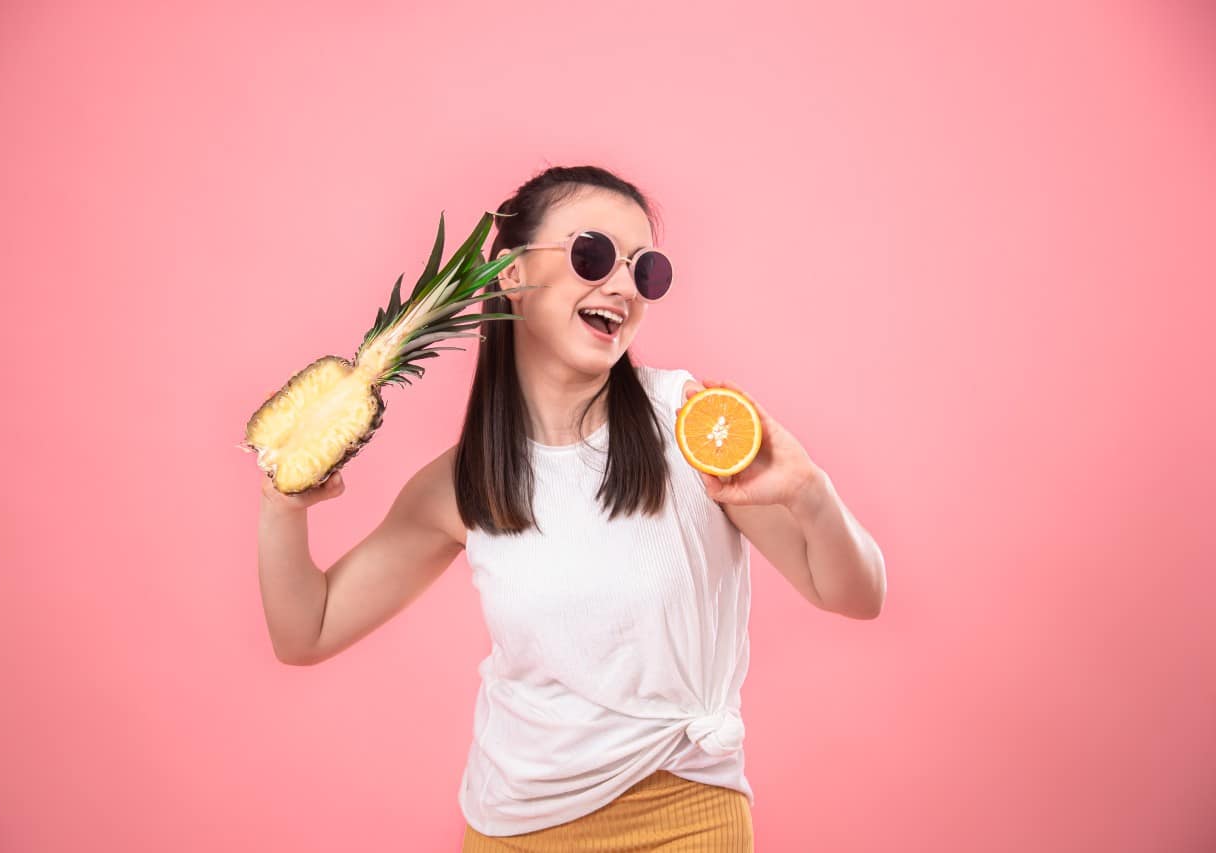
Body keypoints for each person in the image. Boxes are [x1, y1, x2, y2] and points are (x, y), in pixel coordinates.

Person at [257, 164, 887, 851]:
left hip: (684, 817)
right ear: (512, 273)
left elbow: (854, 593)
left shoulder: (692, 423)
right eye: (592, 255)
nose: (621, 286)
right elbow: (306, 630)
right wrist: (282, 505)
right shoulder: (461, 484)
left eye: (645, 271)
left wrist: (810, 493)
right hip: (509, 827)